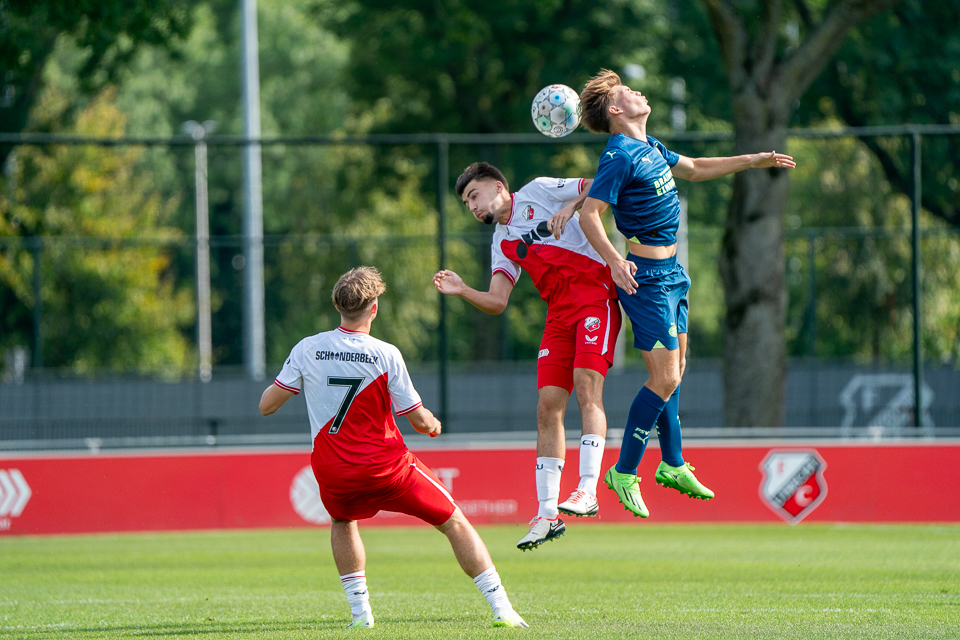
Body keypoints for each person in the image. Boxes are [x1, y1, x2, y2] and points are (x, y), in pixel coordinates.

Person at [574, 69, 796, 518]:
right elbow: (590, 215)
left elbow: (694, 169)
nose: (637, 91)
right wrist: (616, 262)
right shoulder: (618, 155)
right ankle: (625, 471)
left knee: (677, 370)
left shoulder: (649, 147)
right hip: (647, 280)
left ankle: (672, 463)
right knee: (665, 378)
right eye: (626, 91)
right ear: (616, 111)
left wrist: (752, 160)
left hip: (673, 274)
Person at [259, 266, 528, 629]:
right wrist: (432, 423)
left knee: (342, 520)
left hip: (333, 469)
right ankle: (502, 608)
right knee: (453, 521)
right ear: (373, 308)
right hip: (387, 470)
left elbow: (267, 405)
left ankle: (361, 615)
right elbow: (417, 419)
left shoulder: (307, 348)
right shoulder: (385, 354)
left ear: (337, 305)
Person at [433, 162, 622, 550]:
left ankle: (588, 489)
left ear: (499, 186)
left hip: (595, 297)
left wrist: (573, 207)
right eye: (466, 202)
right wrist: (464, 289)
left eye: (474, 195)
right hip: (558, 314)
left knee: (588, 388)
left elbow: (602, 182)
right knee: (547, 406)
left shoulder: (539, 189)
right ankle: (547, 514)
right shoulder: (500, 240)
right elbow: (498, 301)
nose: (471, 206)